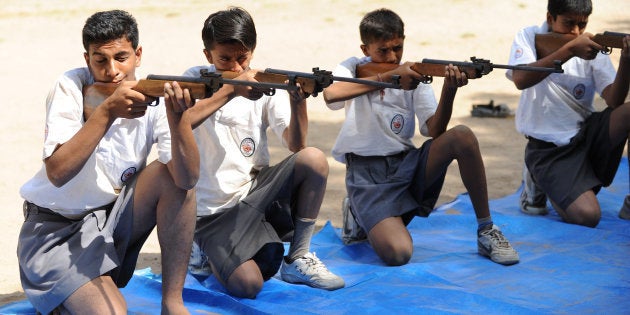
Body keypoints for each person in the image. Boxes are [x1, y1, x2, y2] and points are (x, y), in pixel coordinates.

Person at [17, 10, 199, 314]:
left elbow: (188, 180)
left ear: (138, 55)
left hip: (108, 224)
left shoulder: (153, 95)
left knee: (171, 179)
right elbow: (58, 172)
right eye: (100, 60)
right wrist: (107, 112)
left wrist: (178, 118)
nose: (112, 70)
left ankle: (172, 303)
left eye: (121, 58)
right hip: (54, 232)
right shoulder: (71, 86)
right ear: (87, 59)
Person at [167, 7, 344, 299]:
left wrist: (298, 101)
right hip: (214, 213)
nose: (236, 67)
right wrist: (231, 91)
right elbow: (184, 120)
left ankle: (298, 256)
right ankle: (201, 248)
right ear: (207, 54)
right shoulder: (195, 80)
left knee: (313, 159)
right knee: (248, 286)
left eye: (243, 58)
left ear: (253, 51)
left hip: (256, 195)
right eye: (225, 59)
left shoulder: (263, 81)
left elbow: (296, 145)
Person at [323, 8, 520, 267]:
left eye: (398, 48)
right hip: (366, 177)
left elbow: (435, 131)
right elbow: (331, 95)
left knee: (462, 136)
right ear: (365, 48)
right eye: (383, 50)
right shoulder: (351, 66)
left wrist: (449, 91)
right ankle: (360, 214)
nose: (393, 56)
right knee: (398, 253)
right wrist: (387, 77)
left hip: (405, 165)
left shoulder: (414, 75)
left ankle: (486, 229)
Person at [506, 0, 630, 227]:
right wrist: (570, 50)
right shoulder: (529, 36)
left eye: (581, 25)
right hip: (549, 150)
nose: (576, 32)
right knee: (588, 216)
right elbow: (520, 80)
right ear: (550, 18)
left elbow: (614, 99)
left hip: (586, 135)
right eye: (568, 23)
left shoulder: (593, 46)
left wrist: (626, 60)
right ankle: (539, 178)